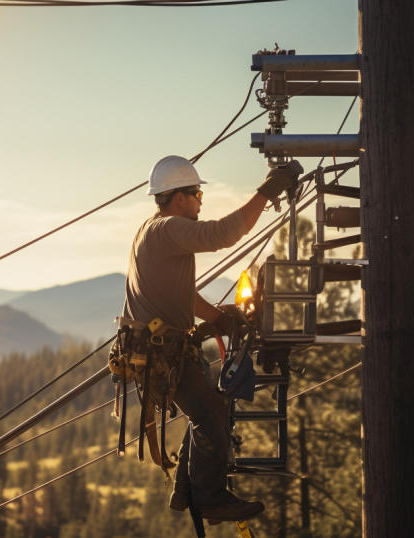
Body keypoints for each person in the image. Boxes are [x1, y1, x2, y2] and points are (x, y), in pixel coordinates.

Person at [119, 154, 303, 522]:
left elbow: (181, 294)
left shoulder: (154, 232)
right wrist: (266, 192)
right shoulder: (169, 228)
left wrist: (219, 318)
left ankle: (188, 490)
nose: (201, 201)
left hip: (163, 350)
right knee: (210, 413)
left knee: (208, 410)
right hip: (161, 353)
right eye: (198, 194)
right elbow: (222, 234)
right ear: (179, 196)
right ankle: (210, 498)